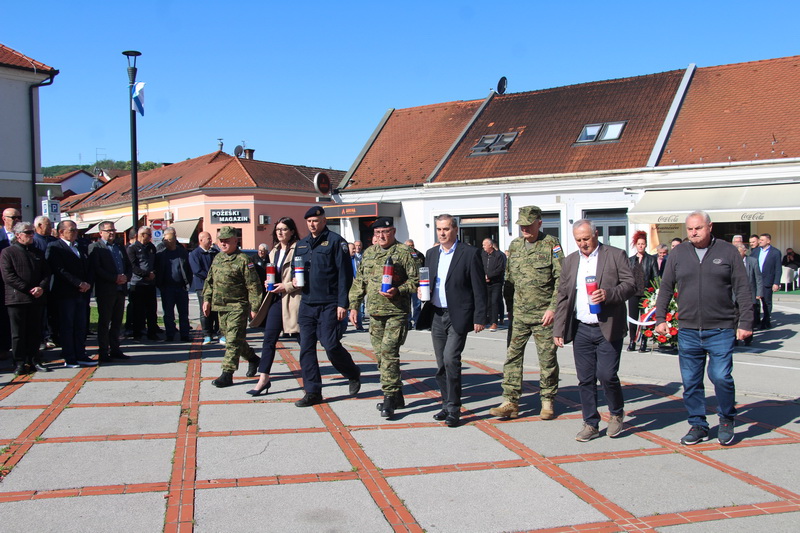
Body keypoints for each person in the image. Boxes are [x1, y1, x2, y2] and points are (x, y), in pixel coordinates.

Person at [655, 211, 753, 446]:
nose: (693, 233)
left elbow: (742, 289)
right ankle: (698, 424)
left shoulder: (728, 251)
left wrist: (746, 322)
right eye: (689, 229)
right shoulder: (679, 253)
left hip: (721, 328)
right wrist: (660, 318)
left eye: (698, 228)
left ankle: (727, 419)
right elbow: (666, 287)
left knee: (721, 377)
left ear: (710, 227)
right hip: (688, 329)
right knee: (691, 382)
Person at [553, 220, 635, 441]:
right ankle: (590, 423)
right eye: (578, 240)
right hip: (581, 328)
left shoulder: (615, 255)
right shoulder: (570, 261)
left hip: (607, 327)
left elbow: (630, 285)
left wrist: (608, 294)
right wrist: (558, 329)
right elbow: (563, 296)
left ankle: (616, 413)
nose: (583, 244)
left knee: (607, 375)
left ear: (596, 234)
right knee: (585, 378)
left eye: (586, 239)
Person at [489, 206, 562, 420]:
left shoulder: (551, 244)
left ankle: (547, 400)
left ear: (539, 223)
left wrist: (553, 308)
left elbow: (562, 279)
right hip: (519, 315)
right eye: (522, 225)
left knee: (547, 360)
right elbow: (509, 279)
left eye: (529, 225)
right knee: (512, 357)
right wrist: (510, 310)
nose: (525, 229)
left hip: (543, 316)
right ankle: (510, 401)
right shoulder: (515, 245)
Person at [416, 214, 486, 427]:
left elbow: (479, 288)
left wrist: (479, 316)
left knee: (450, 359)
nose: (442, 233)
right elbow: (426, 280)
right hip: (436, 314)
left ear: (455, 230)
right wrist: (421, 290)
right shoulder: (431, 254)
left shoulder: (469, 253)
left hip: (459, 315)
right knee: (441, 363)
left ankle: (454, 409)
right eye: (439, 229)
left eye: (446, 229)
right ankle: (446, 405)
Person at [349, 217, 419, 418]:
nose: (381, 236)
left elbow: (417, 281)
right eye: (377, 233)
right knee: (380, 356)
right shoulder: (369, 253)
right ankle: (397, 395)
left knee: (389, 353)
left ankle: (388, 397)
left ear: (393, 232)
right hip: (375, 313)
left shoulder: (405, 253)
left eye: (385, 232)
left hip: (396, 312)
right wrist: (354, 306)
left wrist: (398, 290)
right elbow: (359, 282)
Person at [292, 206, 361, 406]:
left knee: (330, 345)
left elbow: (344, 275)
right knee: (306, 348)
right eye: (309, 221)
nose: (312, 224)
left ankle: (352, 372)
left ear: (324, 221)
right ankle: (312, 391)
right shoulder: (302, 244)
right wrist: (294, 279)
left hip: (329, 303)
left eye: (315, 221)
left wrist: (343, 304)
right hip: (307, 303)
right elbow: (295, 268)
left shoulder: (336, 242)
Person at [248, 217, 302, 396]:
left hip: (294, 300)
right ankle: (263, 378)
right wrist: (268, 282)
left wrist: (286, 286)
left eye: (284, 229)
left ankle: (312, 377)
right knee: (269, 339)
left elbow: (303, 277)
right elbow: (273, 275)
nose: (280, 232)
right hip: (276, 300)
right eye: (278, 229)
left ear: (292, 231)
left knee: (304, 341)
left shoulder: (299, 249)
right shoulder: (274, 252)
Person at [203, 226, 263, 387]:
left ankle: (227, 374)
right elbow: (209, 281)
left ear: (236, 241)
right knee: (235, 340)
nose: (223, 244)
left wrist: (255, 307)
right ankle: (253, 358)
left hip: (238, 306)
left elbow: (254, 285)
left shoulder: (244, 260)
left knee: (232, 340)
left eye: (227, 241)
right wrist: (206, 299)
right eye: (221, 241)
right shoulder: (218, 258)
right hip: (220, 307)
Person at [0, 221, 51, 375]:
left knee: (35, 332)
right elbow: (8, 276)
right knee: (18, 334)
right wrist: (28, 289)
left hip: (36, 298)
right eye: (28, 233)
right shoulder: (8, 252)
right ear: (18, 235)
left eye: (32, 232)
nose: (31, 235)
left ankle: (34, 360)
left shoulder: (37, 252)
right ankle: (19, 362)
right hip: (17, 299)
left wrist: (41, 287)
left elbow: (46, 273)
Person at [46, 220, 97, 368]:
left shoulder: (80, 246)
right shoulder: (55, 247)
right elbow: (59, 270)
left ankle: (81, 354)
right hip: (66, 293)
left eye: (76, 230)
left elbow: (88, 266)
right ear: (61, 232)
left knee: (80, 325)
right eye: (71, 230)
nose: (75, 233)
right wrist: (78, 283)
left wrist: (87, 283)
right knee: (67, 326)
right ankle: (69, 356)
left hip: (82, 293)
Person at [88, 221, 132, 362]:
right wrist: (114, 278)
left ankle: (115, 349)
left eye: (113, 230)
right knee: (104, 322)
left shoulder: (119, 246)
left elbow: (128, 265)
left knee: (117, 322)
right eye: (108, 230)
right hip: (106, 290)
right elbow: (97, 268)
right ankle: (103, 351)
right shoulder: (95, 247)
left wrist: (126, 277)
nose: (112, 232)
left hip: (120, 289)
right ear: (101, 233)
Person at [155, 227, 193, 342]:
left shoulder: (182, 252)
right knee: (168, 313)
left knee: (183, 313)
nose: (166, 242)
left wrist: (188, 283)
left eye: (169, 240)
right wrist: (160, 285)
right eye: (165, 240)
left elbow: (188, 269)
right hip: (167, 287)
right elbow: (157, 270)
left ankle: (184, 335)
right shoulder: (161, 254)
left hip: (181, 287)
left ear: (174, 239)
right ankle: (170, 335)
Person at [127, 226, 160, 341]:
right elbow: (133, 266)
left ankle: (152, 333)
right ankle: (138, 333)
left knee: (152, 310)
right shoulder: (132, 248)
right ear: (142, 235)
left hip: (150, 284)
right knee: (138, 310)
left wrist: (153, 273)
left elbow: (156, 262)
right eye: (148, 235)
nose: (150, 237)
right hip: (137, 284)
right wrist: (146, 274)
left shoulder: (151, 247)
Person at [627, 231, 658, 352]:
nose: (640, 246)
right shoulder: (630, 260)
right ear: (636, 245)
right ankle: (632, 341)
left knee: (645, 319)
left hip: (646, 294)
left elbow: (656, 277)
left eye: (643, 244)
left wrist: (655, 292)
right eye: (639, 244)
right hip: (633, 294)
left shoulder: (651, 260)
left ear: (646, 245)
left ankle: (644, 342)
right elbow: (627, 277)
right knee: (633, 318)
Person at [189, 231, 220, 345]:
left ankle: (219, 333)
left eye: (211, 238)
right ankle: (207, 334)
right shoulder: (195, 254)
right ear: (201, 240)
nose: (211, 241)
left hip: (216, 286)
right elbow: (197, 270)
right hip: (202, 286)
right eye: (208, 238)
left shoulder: (214, 253)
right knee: (205, 311)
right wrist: (211, 277)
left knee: (216, 310)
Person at [0, 208, 22, 362]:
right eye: (13, 217)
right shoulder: (1, 237)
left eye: (18, 217)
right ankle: (3, 347)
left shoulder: (23, 236)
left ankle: (22, 350)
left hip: (20, 285)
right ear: (4, 218)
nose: (16, 220)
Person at [736, 243, 762, 347]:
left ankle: (748, 339)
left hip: (749, 293)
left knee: (748, 317)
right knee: (734, 318)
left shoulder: (752, 261)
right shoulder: (732, 261)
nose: (737, 254)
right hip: (735, 294)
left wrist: (759, 293)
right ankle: (734, 339)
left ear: (745, 251)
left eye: (739, 252)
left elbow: (758, 278)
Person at [755, 233, 782, 329]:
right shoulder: (756, 251)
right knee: (755, 302)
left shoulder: (775, 252)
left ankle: (766, 321)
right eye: (760, 240)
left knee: (766, 302)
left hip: (767, 281)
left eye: (762, 240)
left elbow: (778, 269)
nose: (760, 241)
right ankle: (756, 320)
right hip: (756, 280)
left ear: (768, 241)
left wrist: (776, 283)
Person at [481, 238, 506, 332]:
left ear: (490, 245)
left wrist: (489, 276)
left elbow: (500, 269)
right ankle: (488, 319)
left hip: (496, 282)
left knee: (494, 301)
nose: (483, 247)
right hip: (485, 283)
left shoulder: (498, 255)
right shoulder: (483, 255)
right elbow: (480, 266)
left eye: (484, 245)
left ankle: (494, 322)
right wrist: (483, 276)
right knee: (487, 302)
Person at [404, 239, 425, 328]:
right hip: (406, 283)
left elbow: (423, 268)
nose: (410, 247)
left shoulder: (419, 255)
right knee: (407, 304)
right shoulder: (403, 255)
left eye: (412, 245)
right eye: (408, 246)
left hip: (417, 284)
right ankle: (408, 322)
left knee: (417, 304)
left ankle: (417, 322)